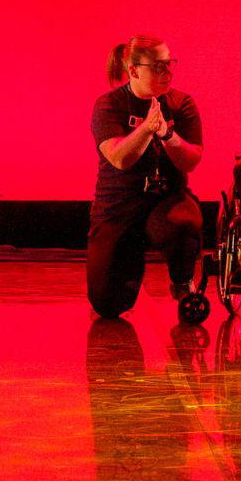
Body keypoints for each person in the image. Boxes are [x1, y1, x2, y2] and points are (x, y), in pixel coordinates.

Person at [88, 35, 204, 318]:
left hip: (165, 200)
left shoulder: (182, 103)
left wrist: (167, 133)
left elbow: (191, 159)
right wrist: (146, 129)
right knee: (108, 305)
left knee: (184, 222)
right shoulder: (109, 105)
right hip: (119, 206)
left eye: (169, 64)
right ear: (134, 70)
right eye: (158, 66)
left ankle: (182, 282)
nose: (168, 72)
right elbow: (119, 158)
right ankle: (123, 271)